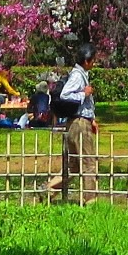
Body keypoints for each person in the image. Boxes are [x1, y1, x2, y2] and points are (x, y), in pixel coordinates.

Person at [48, 44, 100, 198]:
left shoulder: (81, 74)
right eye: (93, 60)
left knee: (74, 165)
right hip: (79, 124)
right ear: (86, 60)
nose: (94, 63)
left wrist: (92, 119)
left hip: (79, 121)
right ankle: (90, 200)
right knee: (88, 163)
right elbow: (65, 95)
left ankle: (49, 189)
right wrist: (84, 93)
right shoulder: (78, 75)